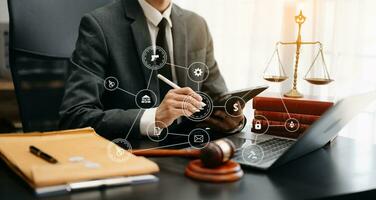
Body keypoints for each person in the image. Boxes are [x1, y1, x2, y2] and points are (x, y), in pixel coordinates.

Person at [59, 0, 245, 139]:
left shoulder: (197, 25)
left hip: (192, 151)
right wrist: (154, 118)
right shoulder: (99, 25)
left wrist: (234, 119)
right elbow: (75, 117)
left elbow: (218, 100)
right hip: (131, 154)